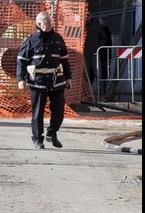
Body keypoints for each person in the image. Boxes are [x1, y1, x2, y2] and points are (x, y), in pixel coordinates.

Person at [16, 11, 72, 149]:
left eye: (50, 22)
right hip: (38, 82)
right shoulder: (30, 40)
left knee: (59, 110)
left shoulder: (58, 38)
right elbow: (21, 61)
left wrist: (69, 78)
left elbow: (65, 61)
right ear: (39, 24)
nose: (50, 24)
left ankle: (51, 134)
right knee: (37, 113)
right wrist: (20, 79)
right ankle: (37, 139)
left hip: (56, 81)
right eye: (47, 22)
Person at [83, 15, 107, 92]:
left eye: (88, 15)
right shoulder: (81, 25)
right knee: (85, 75)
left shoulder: (97, 26)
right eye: (85, 15)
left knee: (98, 74)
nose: (87, 17)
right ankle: (86, 94)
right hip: (84, 54)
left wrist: (98, 46)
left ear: (91, 16)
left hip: (94, 54)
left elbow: (103, 38)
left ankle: (101, 94)